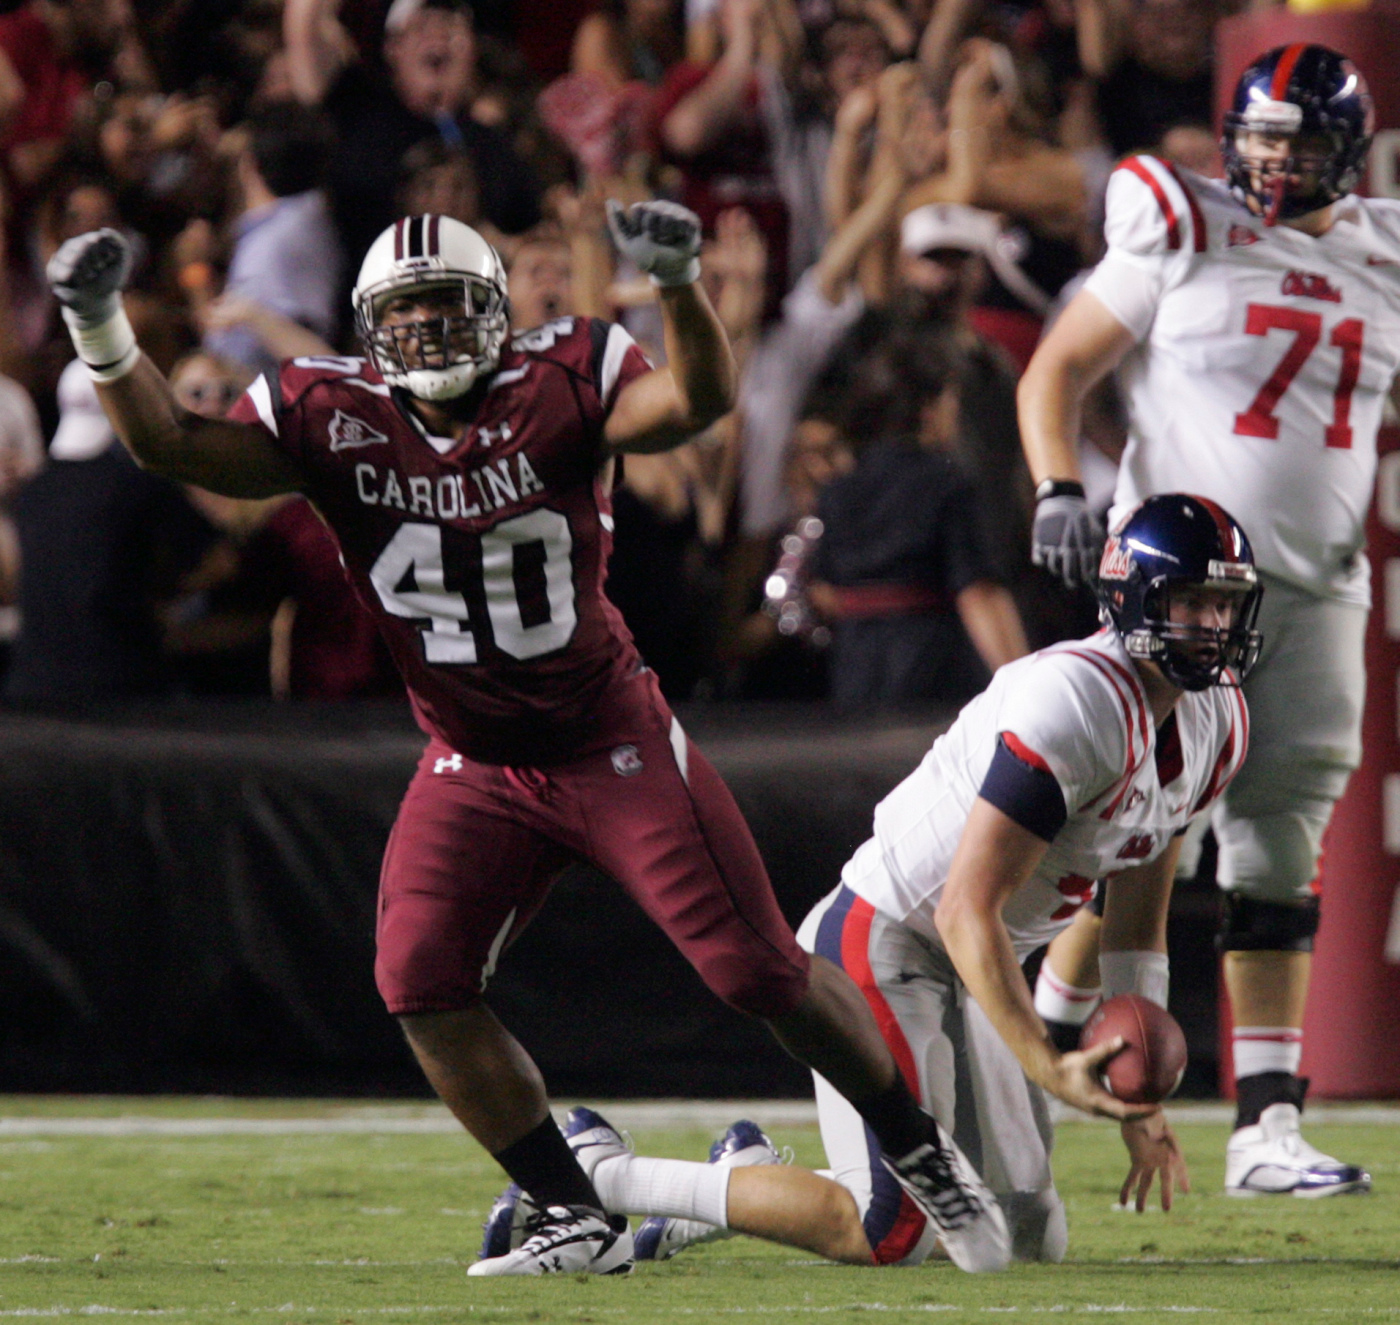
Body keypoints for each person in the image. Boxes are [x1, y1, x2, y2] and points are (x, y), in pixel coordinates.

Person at [47, 203, 1015, 1277]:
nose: (426, 333)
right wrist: (98, 322)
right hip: (471, 758)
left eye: (447, 308)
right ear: (370, 329)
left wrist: (684, 285)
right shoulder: (330, 409)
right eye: (403, 315)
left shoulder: (563, 376)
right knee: (415, 976)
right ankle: (568, 1206)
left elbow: (694, 398)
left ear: (498, 315)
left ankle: (918, 1148)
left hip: (609, 737)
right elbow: (170, 440)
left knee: (752, 969)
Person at [484, 493, 1258, 1267]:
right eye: (1193, 601)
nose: (1214, 626)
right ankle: (602, 1170)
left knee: (1025, 1233)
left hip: (969, 965)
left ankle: (749, 1179)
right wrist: (1047, 1060)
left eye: (1226, 605)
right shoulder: (1075, 702)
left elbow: (1135, 923)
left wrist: (1142, 1093)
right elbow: (964, 908)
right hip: (886, 941)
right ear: (1132, 597)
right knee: (893, 1228)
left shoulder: (1216, 723)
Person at [1017, 44, 1389, 1197]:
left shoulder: (1385, 251)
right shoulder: (1183, 225)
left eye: (1297, 141)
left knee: (1279, 842)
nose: (1272, 162)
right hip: (1176, 588)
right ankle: (1024, 1054)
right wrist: (1056, 488)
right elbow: (1057, 368)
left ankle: (1264, 1128)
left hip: (1319, 580)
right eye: (1259, 137)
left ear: (1345, 150)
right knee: (1130, 836)